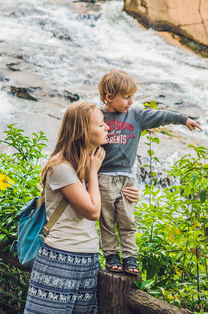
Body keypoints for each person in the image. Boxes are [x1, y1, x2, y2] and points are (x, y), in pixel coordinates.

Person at [24, 101, 139, 313]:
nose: (108, 127)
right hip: (59, 260)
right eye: (101, 124)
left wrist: (129, 195)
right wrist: (93, 172)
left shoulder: (88, 163)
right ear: (83, 131)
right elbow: (93, 211)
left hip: (88, 260)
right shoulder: (61, 167)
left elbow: (106, 202)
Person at [97, 69, 202, 275]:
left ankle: (130, 257)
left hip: (126, 177)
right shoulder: (97, 116)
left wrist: (183, 119)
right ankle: (111, 255)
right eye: (126, 97)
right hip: (103, 177)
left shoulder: (136, 115)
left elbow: (160, 116)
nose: (131, 101)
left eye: (132, 96)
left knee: (127, 219)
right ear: (109, 97)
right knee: (107, 220)